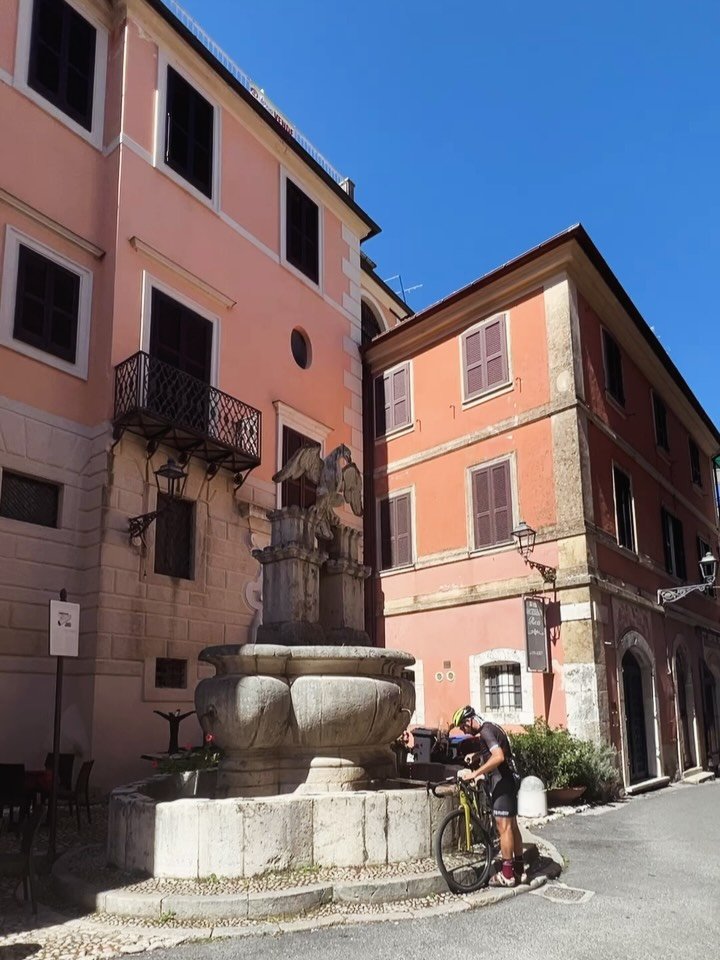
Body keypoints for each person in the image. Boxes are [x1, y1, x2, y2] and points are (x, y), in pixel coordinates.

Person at [451, 705, 525, 887]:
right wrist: (477, 755)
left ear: (469, 720)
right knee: (512, 826)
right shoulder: (490, 727)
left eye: (463, 726)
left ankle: (507, 875)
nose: (463, 731)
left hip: (503, 782)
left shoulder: (485, 732)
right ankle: (519, 870)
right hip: (509, 780)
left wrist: (475, 774)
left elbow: (498, 756)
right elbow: (496, 751)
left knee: (504, 827)